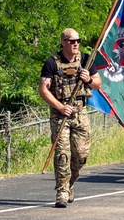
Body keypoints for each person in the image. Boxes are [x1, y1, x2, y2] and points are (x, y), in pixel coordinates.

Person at [38, 28, 102, 208]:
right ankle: (62, 193)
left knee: (81, 155)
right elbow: (43, 90)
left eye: (78, 41)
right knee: (62, 155)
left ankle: (70, 182)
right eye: (72, 41)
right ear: (63, 42)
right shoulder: (52, 62)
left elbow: (98, 83)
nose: (76, 44)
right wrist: (59, 107)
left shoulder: (87, 59)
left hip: (80, 112)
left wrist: (88, 79)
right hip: (60, 115)